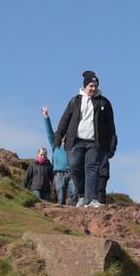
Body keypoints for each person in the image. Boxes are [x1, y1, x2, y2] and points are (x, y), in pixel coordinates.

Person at [53, 70, 117, 208]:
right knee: (75, 167)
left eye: (95, 86)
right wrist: (58, 136)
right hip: (75, 141)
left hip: (95, 143)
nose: (93, 88)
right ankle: (82, 195)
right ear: (85, 86)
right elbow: (65, 120)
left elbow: (111, 126)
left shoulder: (104, 102)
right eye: (91, 86)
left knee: (91, 168)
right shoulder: (75, 100)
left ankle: (90, 199)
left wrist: (112, 144)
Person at [41, 106, 77, 206]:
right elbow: (49, 132)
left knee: (74, 194)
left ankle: (74, 215)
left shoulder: (72, 144)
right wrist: (46, 117)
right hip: (58, 174)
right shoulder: (55, 144)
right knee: (60, 197)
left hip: (71, 173)